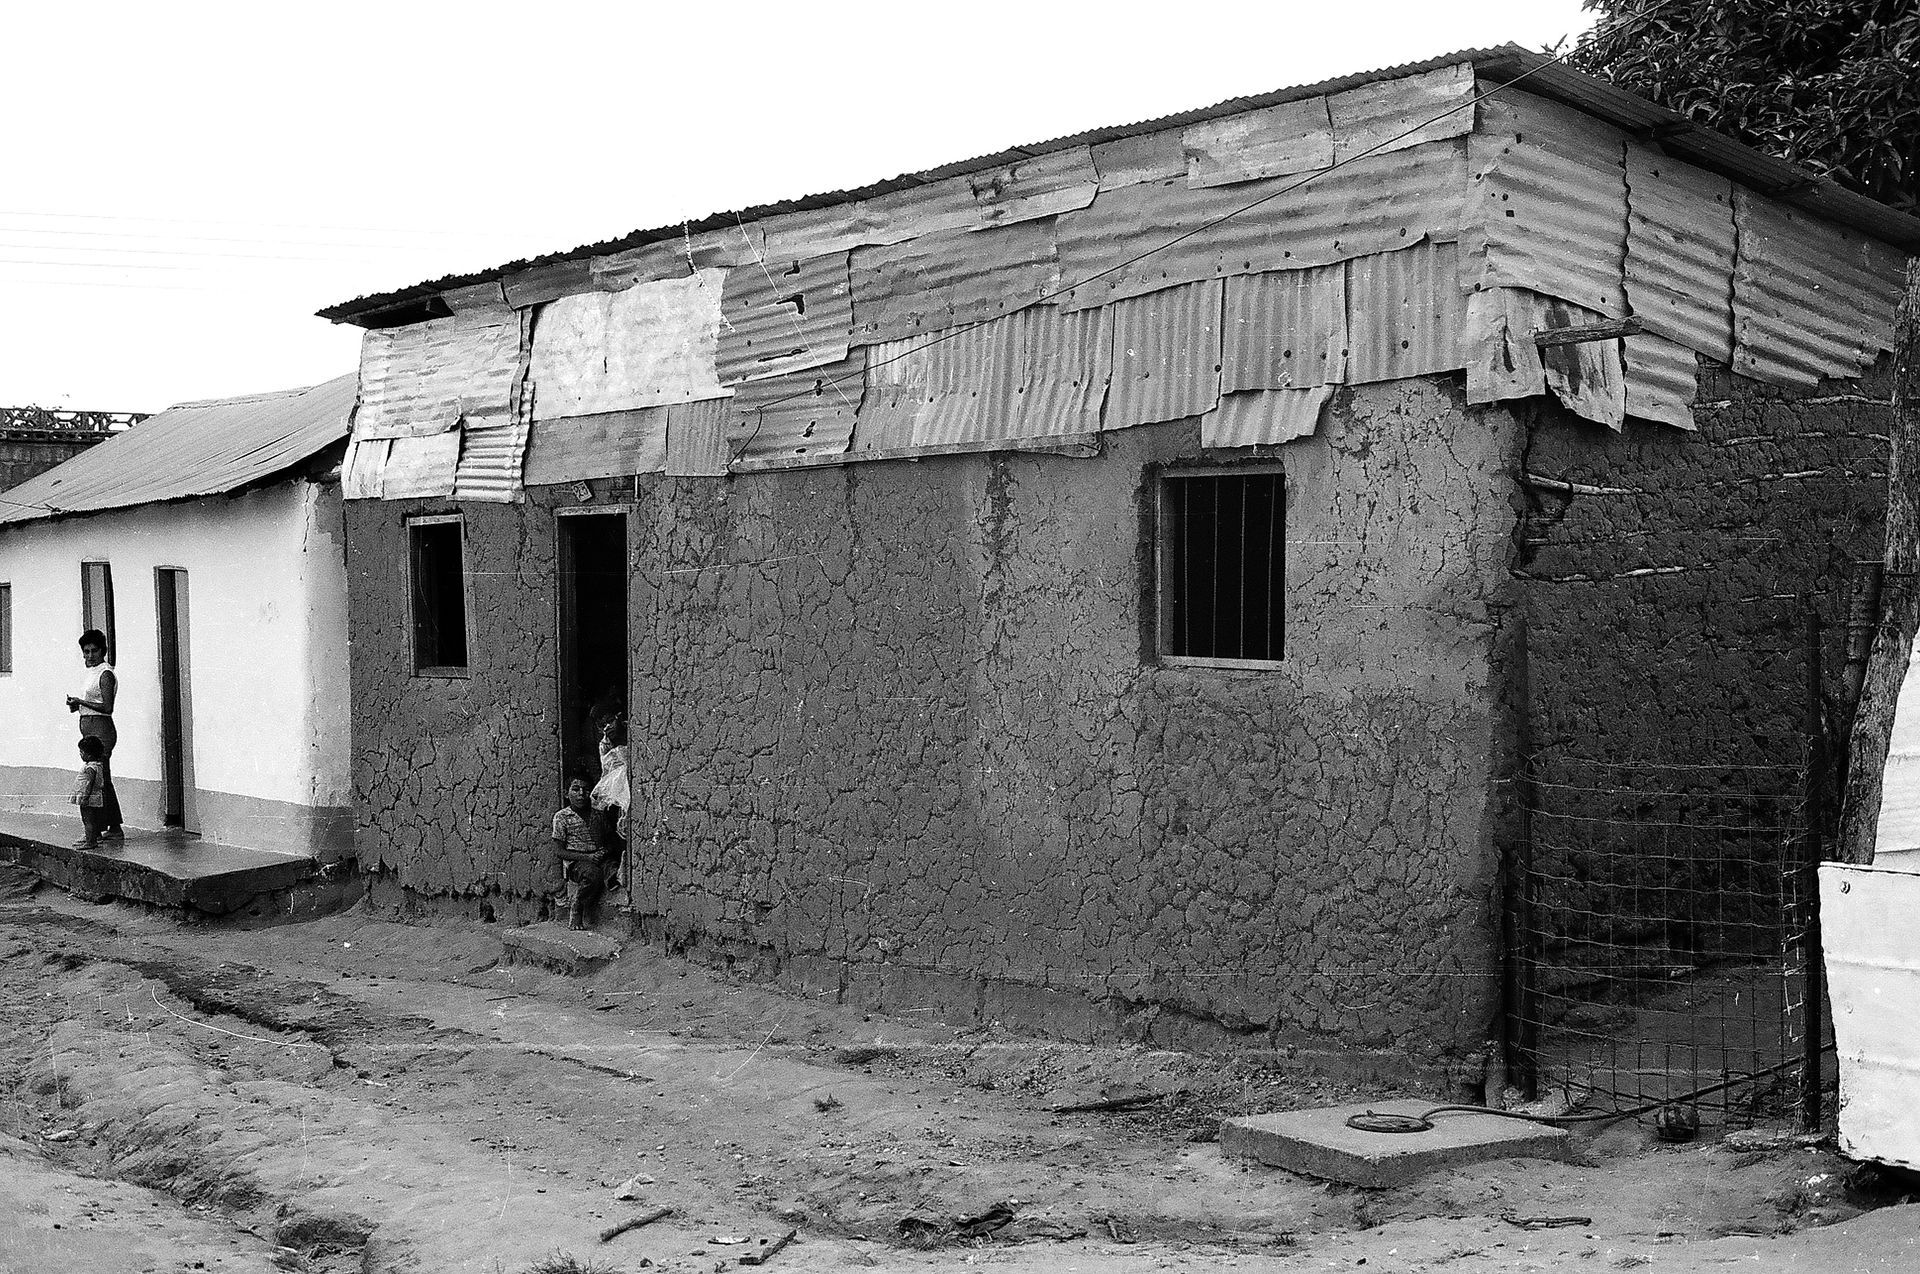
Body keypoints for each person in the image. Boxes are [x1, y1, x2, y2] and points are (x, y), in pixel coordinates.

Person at [65, 630, 123, 839]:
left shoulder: (105, 673)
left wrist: (81, 702)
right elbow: (92, 704)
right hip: (89, 727)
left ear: (103, 651)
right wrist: (77, 706)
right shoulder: (91, 671)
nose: (90, 656)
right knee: (99, 778)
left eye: (94, 651)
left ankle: (110, 828)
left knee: (99, 779)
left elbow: (107, 707)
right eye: (86, 651)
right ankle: (104, 827)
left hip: (101, 729)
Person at [551, 768, 613, 930]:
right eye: (576, 789)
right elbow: (559, 851)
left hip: (598, 857)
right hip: (577, 863)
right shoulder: (562, 817)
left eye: (586, 790)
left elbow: (611, 841)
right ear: (566, 794)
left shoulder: (598, 815)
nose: (581, 794)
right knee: (593, 874)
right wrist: (588, 857)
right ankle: (577, 906)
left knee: (613, 868)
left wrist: (603, 852)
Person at [71, 736, 109, 849]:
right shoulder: (97, 765)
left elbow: (89, 783)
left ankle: (90, 841)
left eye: (82, 752)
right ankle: (95, 837)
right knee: (93, 819)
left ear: (89, 754)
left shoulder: (90, 768)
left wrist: (85, 796)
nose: (80, 754)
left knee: (87, 820)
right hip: (95, 796)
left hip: (88, 797)